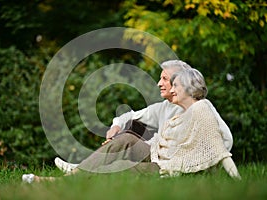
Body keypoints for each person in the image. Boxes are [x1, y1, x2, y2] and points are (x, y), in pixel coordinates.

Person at [22, 61, 235, 183]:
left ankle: (76, 175)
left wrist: (201, 160)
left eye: (166, 79)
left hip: (170, 166)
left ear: (181, 84)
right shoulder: (166, 108)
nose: (161, 84)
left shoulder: (201, 108)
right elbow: (130, 116)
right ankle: (77, 172)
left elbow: (221, 143)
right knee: (124, 138)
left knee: (122, 167)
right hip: (157, 156)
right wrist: (115, 126)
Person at [150, 68, 241, 179]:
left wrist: (238, 180)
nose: (171, 90)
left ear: (189, 88)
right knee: (128, 142)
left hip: (167, 167)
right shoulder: (182, 115)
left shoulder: (201, 109)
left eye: (175, 86)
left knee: (128, 163)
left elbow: (220, 151)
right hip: (161, 160)